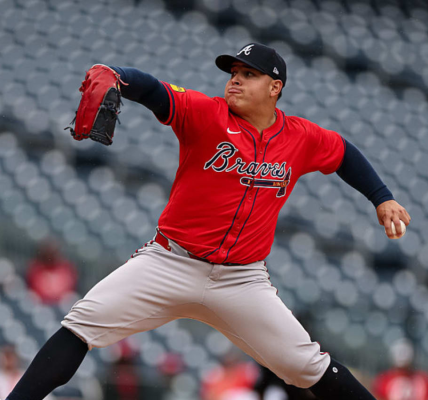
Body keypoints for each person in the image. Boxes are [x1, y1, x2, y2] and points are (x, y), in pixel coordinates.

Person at [6, 42, 411, 400]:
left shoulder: (300, 137)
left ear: (275, 87)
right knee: (81, 325)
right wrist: (118, 75)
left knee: (307, 365)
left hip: (242, 281)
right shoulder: (205, 113)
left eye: (248, 74)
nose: (235, 80)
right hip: (170, 262)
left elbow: (343, 153)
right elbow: (154, 90)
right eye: (233, 72)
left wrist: (382, 197)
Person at [26, 239, 78, 305]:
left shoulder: (66, 268)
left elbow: (70, 289)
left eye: (53, 253)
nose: (50, 256)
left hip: (63, 305)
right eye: (48, 253)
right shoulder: (35, 269)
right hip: (41, 305)